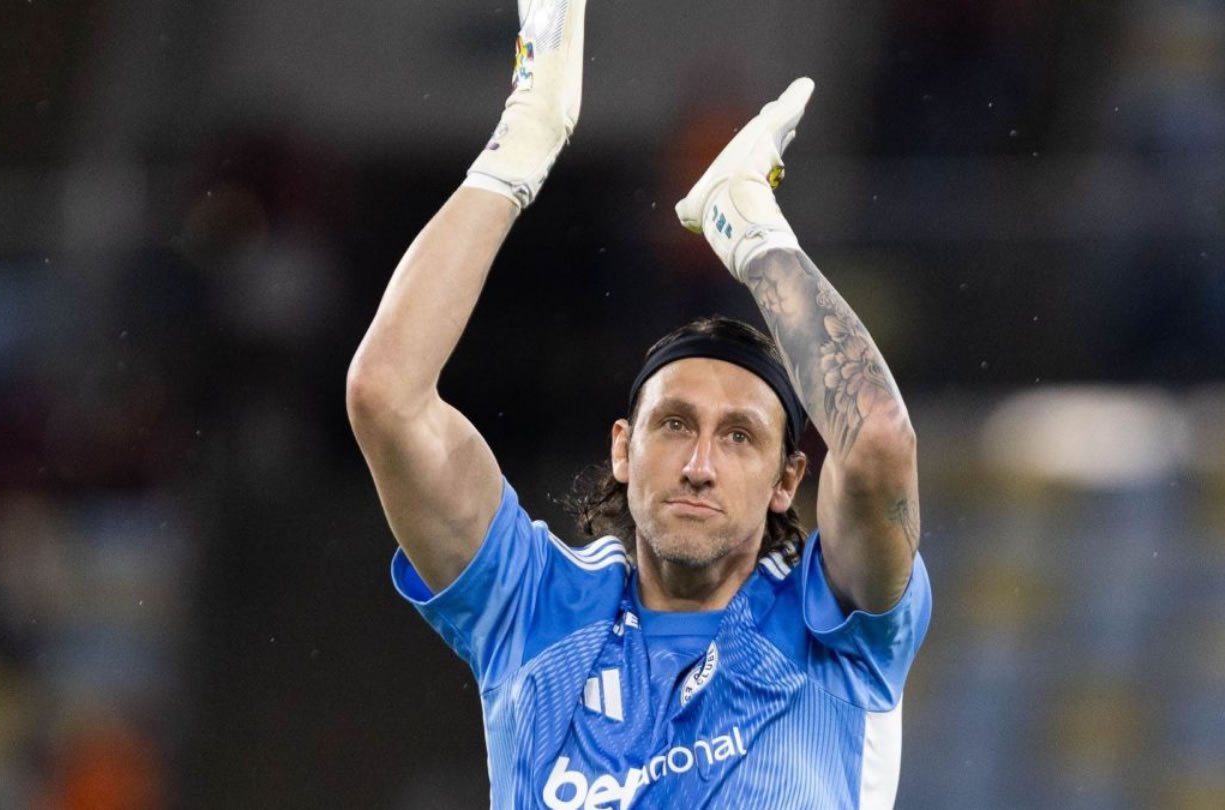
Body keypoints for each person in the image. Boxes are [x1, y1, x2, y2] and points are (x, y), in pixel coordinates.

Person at [345, 0, 931, 806]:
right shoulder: (537, 607)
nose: (699, 464)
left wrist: (755, 236)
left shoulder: (834, 621)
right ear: (623, 447)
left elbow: (878, 440)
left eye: (739, 437)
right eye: (675, 425)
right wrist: (522, 143)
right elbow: (387, 394)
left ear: (788, 479)